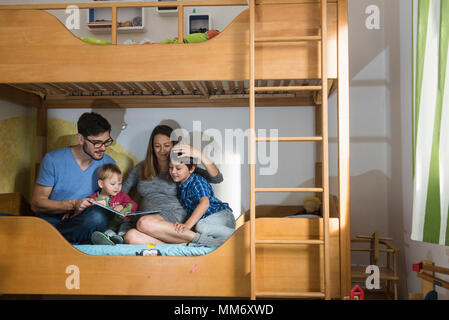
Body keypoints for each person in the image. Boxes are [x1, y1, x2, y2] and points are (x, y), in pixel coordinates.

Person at [122, 124, 226, 247]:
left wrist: (199, 154)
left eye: (166, 145)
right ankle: (182, 245)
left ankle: (204, 241)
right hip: (150, 221)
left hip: (174, 219)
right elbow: (121, 192)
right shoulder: (141, 168)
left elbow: (217, 178)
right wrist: (122, 207)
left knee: (144, 223)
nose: (162, 150)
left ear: (173, 146)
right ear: (152, 148)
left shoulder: (181, 165)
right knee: (131, 237)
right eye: (157, 146)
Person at [31, 112, 115, 244]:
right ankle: (60, 239)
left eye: (106, 142)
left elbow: (110, 200)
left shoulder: (108, 163)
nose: (103, 148)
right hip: (52, 220)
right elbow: (36, 203)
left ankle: (50, 240)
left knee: (98, 217)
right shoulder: (53, 160)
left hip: (84, 220)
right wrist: (73, 204)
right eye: (97, 143)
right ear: (81, 139)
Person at [169, 155, 235, 241]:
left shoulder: (196, 181)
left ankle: (239, 233)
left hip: (220, 215)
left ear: (191, 169)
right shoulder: (180, 184)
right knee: (200, 230)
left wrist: (187, 225)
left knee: (200, 227)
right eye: (170, 168)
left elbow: (204, 203)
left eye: (178, 169)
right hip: (207, 220)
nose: (173, 171)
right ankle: (222, 241)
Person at [88, 163, 138, 245]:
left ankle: (122, 237)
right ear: (101, 184)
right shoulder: (94, 198)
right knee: (104, 230)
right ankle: (112, 239)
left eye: (120, 183)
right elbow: (85, 210)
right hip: (106, 226)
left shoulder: (122, 196)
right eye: (113, 184)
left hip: (121, 224)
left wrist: (123, 207)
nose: (117, 187)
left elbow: (133, 204)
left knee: (126, 226)